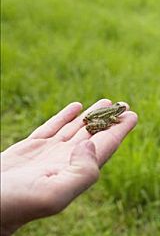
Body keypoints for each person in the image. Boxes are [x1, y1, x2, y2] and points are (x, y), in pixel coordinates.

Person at [0, 99, 137, 236]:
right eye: (120, 110)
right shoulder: (114, 114)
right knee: (105, 123)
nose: (121, 111)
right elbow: (114, 119)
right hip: (94, 120)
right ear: (117, 110)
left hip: (91, 117)